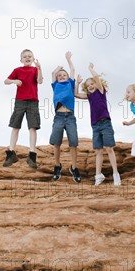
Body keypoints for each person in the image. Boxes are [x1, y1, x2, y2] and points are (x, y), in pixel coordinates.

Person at [75, 63, 121, 186]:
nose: (90, 86)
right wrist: (78, 83)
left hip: (105, 123)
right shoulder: (89, 96)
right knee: (98, 151)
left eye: (92, 84)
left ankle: (116, 174)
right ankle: (98, 175)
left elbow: (96, 79)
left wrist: (90, 69)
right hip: (95, 126)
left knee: (109, 148)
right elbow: (76, 94)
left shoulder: (101, 91)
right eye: (88, 85)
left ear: (96, 84)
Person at [3, 49, 43, 169]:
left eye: (29, 56)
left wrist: (39, 68)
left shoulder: (35, 70)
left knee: (32, 127)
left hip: (33, 102)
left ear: (33, 58)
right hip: (20, 101)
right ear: (21, 59)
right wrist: (14, 81)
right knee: (15, 126)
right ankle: (11, 153)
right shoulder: (17, 70)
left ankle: (31, 155)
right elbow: (6, 81)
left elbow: (40, 81)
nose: (27, 58)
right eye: (25, 56)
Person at [49, 52, 81, 183]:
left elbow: (73, 69)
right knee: (57, 142)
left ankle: (73, 167)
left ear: (68, 78)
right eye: (60, 76)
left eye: (64, 75)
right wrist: (58, 69)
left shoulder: (70, 84)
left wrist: (68, 60)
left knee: (73, 143)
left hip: (70, 117)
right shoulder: (55, 85)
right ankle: (57, 165)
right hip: (59, 117)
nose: (62, 76)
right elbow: (52, 74)